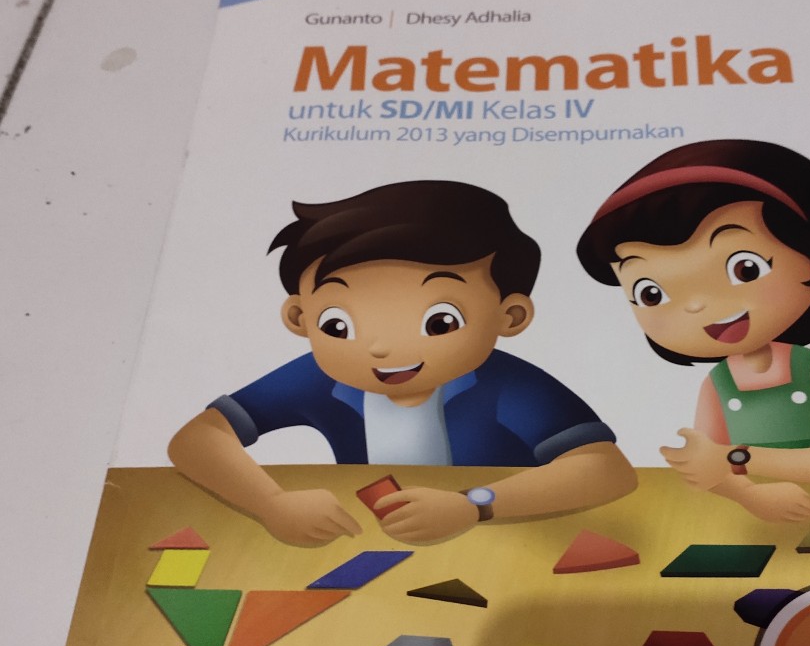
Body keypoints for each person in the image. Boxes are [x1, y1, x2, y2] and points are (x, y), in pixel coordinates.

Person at [169, 180, 636, 546]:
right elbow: (199, 437)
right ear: (299, 318)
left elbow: (604, 468)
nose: (381, 348)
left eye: (439, 322)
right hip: (373, 539)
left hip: (508, 538)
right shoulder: (317, 377)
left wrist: (473, 505)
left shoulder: (509, 385)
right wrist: (271, 502)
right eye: (338, 325)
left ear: (510, 316)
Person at [576, 139, 810, 523]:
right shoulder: (719, 385)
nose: (697, 305)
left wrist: (740, 458)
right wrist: (749, 496)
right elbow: (710, 468)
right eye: (652, 293)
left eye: (745, 268)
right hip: (780, 516)